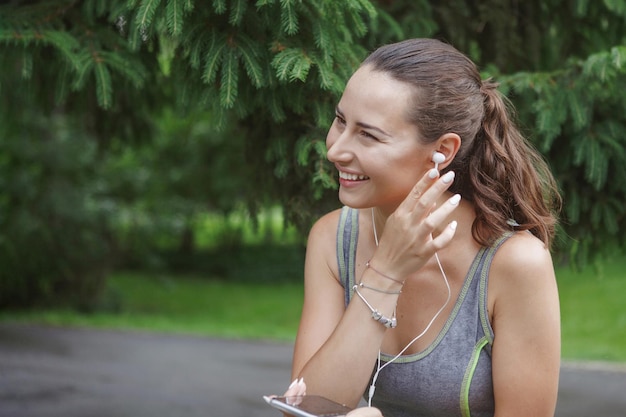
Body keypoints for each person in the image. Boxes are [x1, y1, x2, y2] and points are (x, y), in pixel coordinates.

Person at [279, 38, 561, 417]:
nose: (336, 150)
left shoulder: (514, 263)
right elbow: (304, 410)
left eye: (368, 134)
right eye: (340, 121)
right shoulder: (333, 239)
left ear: (442, 150)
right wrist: (385, 274)